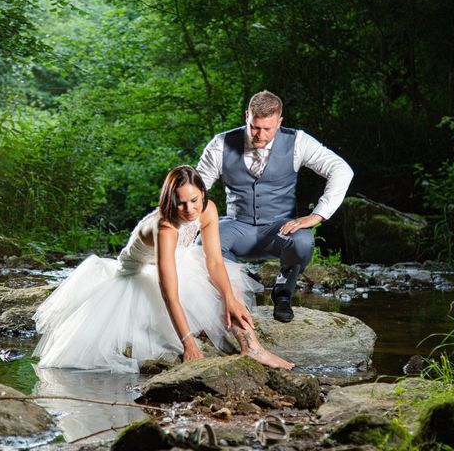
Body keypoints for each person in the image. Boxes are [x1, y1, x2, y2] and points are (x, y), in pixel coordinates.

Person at [33, 165, 294, 372]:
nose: (189, 209)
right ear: (170, 201)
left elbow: (214, 260)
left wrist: (229, 299)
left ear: (203, 193)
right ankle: (200, 333)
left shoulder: (208, 209)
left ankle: (252, 347)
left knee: (229, 284)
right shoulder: (165, 227)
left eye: (194, 200)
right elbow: (170, 293)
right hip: (138, 276)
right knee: (186, 297)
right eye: (181, 203)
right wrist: (188, 343)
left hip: (180, 260)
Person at [197, 90, 353, 323]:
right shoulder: (221, 144)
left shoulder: (298, 141)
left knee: (303, 240)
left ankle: (282, 293)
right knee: (203, 243)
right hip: (237, 226)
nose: (259, 135)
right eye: (254, 127)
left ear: (279, 122)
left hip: (279, 229)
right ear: (246, 116)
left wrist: (318, 215)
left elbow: (341, 169)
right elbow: (196, 190)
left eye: (267, 129)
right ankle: (234, 294)